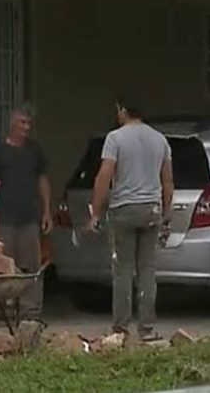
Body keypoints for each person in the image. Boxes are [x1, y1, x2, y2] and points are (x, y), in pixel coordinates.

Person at [87, 96, 173, 341]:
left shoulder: (115, 138)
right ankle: (146, 328)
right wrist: (166, 214)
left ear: (122, 110)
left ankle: (120, 329)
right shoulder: (160, 140)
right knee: (147, 269)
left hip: (124, 209)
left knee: (122, 270)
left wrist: (95, 210)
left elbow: (104, 176)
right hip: (151, 210)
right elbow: (168, 181)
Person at [0, 105, 52, 318]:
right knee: (1, 266)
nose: (25, 127)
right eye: (22, 123)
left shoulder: (34, 149)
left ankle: (31, 311)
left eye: (28, 124)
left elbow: (42, 179)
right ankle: (0, 309)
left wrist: (46, 210)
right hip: (4, 217)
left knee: (31, 266)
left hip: (29, 217)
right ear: (12, 123)